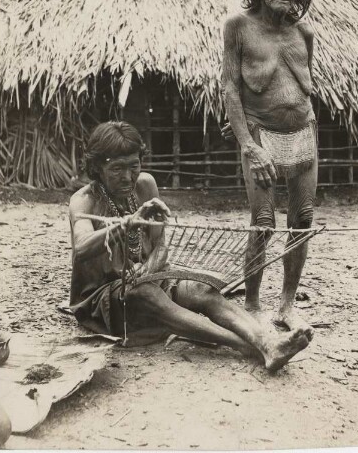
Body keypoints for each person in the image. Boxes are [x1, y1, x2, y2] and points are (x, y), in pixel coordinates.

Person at [69, 121, 312, 371]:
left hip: (146, 280)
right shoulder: (84, 201)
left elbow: (161, 245)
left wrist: (151, 268)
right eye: (117, 169)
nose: (128, 176)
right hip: (103, 298)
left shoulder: (145, 185)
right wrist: (126, 225)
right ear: (98, 167)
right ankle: (251, 346)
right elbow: (82, 248)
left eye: (134, 166)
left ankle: (266, 342)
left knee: (199, 288)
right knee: (144, 294)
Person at [222, 0, 317, 333]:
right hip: (260, 134)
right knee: (263, 223)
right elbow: (230, 88)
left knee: (303, 220)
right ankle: (252, 302)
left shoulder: (303, 32)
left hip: (305, 133)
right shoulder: (238, 27)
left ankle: (287, 304)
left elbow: (302, 86)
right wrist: (248, 144)